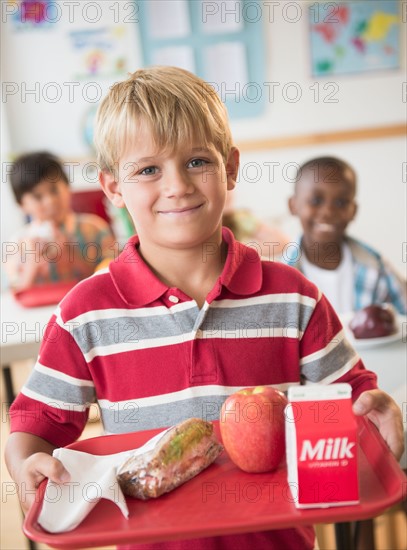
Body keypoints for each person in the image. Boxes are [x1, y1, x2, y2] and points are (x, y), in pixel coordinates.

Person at [5, 68, 404, 550]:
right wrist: (27, 462)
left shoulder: (294, 298)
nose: (177, 186)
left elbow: (353, 401)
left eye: (197, 161)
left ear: (230, 167)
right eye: (149, 169)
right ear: (113, 188)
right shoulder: (84, 315)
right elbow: (34, 428)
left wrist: (377, 409)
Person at [284, 156, 407, 315]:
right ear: (293, 205)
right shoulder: (281, 275)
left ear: (354, 210)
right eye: (315, 201)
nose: (328, 212)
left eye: (341, 203)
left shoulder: (376, 266)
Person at [4, 151, 116, 292]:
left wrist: (71, 256)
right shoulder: (17, 243)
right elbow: (16, 292)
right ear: (22, 205)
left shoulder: (95, 229)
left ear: (67, 187)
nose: (50, 201)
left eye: (54, 190)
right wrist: (32, 263)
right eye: (38, 197)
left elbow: (111, 281)